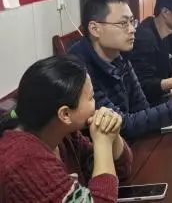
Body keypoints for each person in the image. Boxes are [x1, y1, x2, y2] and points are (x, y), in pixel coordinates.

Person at [70, 0, 172, 140]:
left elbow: (142, 108)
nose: (132, 29)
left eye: (131, 22)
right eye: (123, 23)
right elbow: (121, 126)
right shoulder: (78, 70)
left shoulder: (119, 55)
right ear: (95, 29)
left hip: (126, 145)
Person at [0, 55, 133, 202]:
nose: (96, 104)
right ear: (65, 114)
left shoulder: (63, 135)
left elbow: (119, 171)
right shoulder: (25, 162)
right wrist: (103, 143)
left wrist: (112, 134)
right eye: (91, 97)